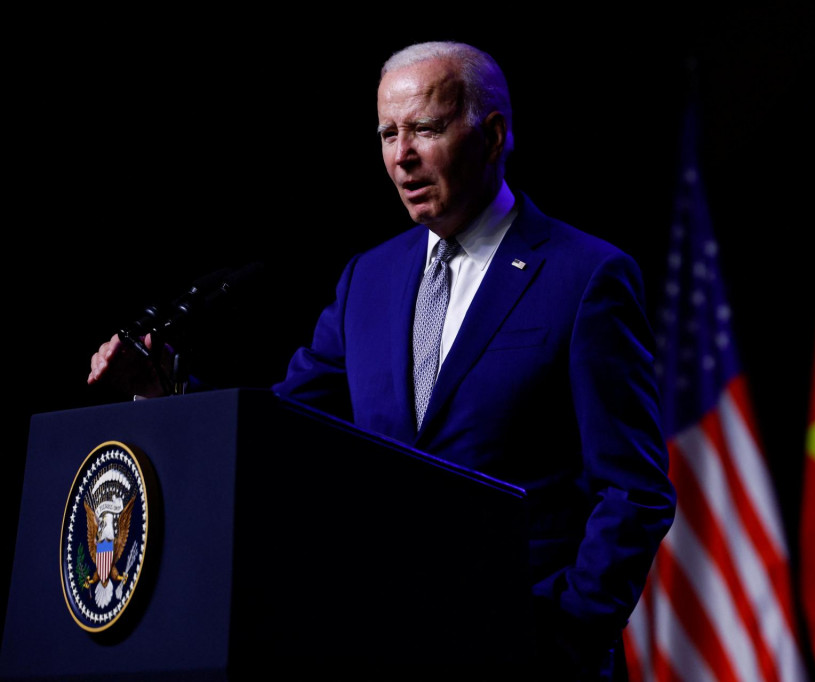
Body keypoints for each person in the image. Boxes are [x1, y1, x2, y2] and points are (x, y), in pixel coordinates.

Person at [88, 40, 676, 680]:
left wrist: (564, 632)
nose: (402, 157)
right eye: (388, 133)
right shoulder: (368, 279)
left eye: (425, 128)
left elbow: (634, 490)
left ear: (494, 135)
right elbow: (282, 429)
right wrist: (165, 395)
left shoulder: (586, 276)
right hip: (384, 645)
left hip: (529, 652)